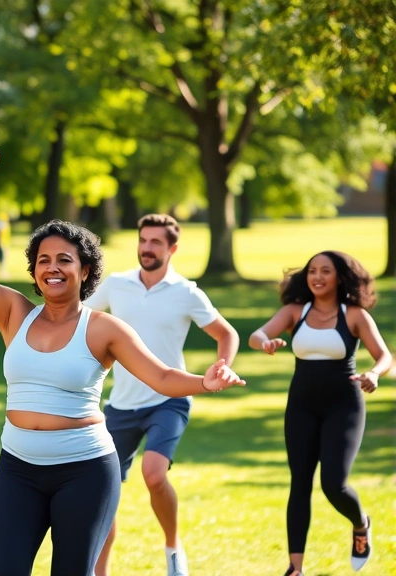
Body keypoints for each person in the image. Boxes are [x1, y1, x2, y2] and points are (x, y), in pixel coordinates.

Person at [0, 149, 246, 576]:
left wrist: (206, 381)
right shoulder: (14, 312)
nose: (52, 268)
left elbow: (159, 376)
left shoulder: (104, 329)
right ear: (33, 272)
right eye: (43, 261)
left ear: (85, 271)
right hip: (17, 467)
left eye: (64, 260)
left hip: (84, 471)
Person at [88, 214, 240, 576]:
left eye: (156, 242)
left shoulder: (186, 292)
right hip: (120, 405)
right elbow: (79, 317)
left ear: (172, 249)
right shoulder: (117, 284)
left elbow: (226, 334)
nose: (147, 248)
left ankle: (173, 548)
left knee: (154, 474)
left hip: (168, 400)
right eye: (143, 240)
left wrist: (222, 365)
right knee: (101, 489)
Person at [249, 251, 391, 576]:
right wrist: (265, 343)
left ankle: (360, 523)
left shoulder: (354, 315)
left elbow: (384, 355)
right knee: (299, 483)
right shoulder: (294, 311)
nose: (317, 277)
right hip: (301, 406)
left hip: (344, 406)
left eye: (326, 271)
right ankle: (295, 568)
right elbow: (257, 335)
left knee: (333, 484)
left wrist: (374, 374)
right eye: (312, 271)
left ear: (339, 277)